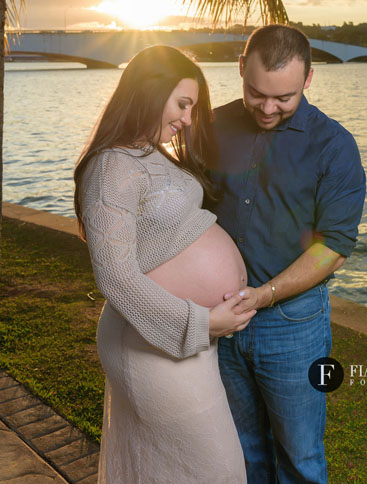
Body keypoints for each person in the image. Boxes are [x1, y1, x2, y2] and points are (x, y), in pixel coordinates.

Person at [74, 45, 256, 484]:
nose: (188, 120)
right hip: (151, 344)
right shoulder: (112, 166)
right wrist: (202, 322)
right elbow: (114, 277)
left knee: (171, 469)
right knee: (217, 472)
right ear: (149, 92)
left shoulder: (147, 153)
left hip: (180, 339)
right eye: (183, 104)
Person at [208, 24, 366, 484]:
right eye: (257, 94)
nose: (268, 108)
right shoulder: (211, 127)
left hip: (294, 327)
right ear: (241, 69)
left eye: (285, 98)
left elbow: (334, 248)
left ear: (309, 80)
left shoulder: (335, 147)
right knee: (241, 453)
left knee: (300, 460)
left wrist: (264, 295)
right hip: (220, 321)